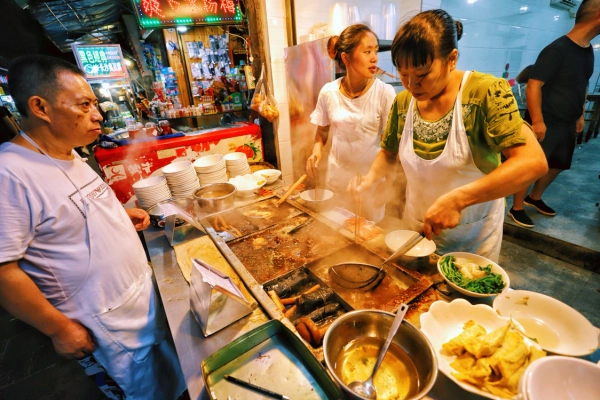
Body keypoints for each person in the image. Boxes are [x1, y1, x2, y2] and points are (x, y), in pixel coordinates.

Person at [0, 55, 186, 399]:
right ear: (40, 107)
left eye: (94, 104)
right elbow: (4, 270)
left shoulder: (69, 153)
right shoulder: (10, 172)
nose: (97, 114)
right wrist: (58, 330)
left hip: (138, 300)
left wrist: (117, 217)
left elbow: (72, 213)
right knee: (142, 391)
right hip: (102, 323)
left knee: (172, 381)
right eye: (84, 105)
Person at [352, 9, 548, 262]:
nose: (411, 85)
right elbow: (388, 155)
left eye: (422, 74)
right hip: (415, 232)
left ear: (452, 58)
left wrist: (459, 199)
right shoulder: (403, 103)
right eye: (403, 73)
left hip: (470, 240)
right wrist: (369, 180)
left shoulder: (484, 93)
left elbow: (533, 162)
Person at [510, 0, 600, 228]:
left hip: (568, 121)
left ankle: (535, 197)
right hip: (546, 120)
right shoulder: (557, 49)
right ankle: (517, 206)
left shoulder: (587, 49)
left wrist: (580, 114)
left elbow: (582, 84)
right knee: (531, 166)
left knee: (558, 164)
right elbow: (533, 85)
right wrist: (537, 121)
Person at [306, 24, 397, 222]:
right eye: (367, 51)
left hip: (370, 184)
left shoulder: (385, 93)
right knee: (336, 233)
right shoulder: (328, 92)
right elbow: (322, 132)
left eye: (375, 51)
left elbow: (392, 147)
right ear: (346, 58)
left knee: (367, 240)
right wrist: (316, 152)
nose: (374, 57)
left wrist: (387, 183)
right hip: (336, 181)